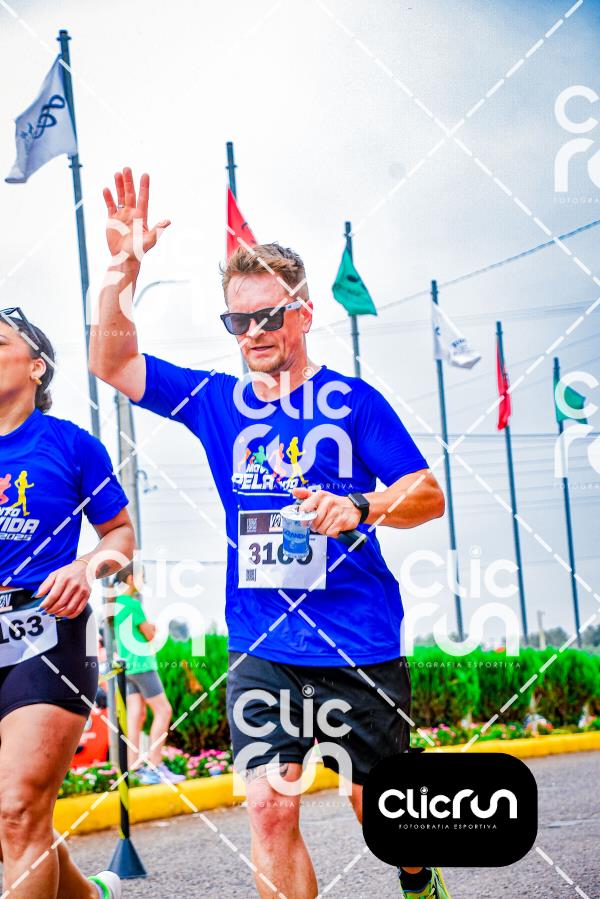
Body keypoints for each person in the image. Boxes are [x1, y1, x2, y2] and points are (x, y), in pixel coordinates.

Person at [90, 168, 450, 899]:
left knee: (381, 812)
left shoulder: (354, 403)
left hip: (357, 639)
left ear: (303, 314)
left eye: (267, 317)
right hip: (262, 642)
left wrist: (361, 506)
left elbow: (428, 495)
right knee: (268, 806)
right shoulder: (214, 401)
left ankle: (418, 876)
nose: (252, 333)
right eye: (238, 321)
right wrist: (123, 269)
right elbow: (113, 362)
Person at [0, 307, 135, 899]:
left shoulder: (72, 446)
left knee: (17, 810)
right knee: (13, 821)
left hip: (47, 634)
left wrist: (85, 567)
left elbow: (120, 534)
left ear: (37, 367)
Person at [112, 562, 184, 784]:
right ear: (130, 579)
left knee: (136, 716)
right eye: (142, 577)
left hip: (128, 668)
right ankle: (156, 765)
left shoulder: (117, 604)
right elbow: (149, 634)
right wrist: (153, 629)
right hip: (142, 665)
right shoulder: (133, 605)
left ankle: (134, 768)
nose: (144, 581)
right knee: (164, 711)